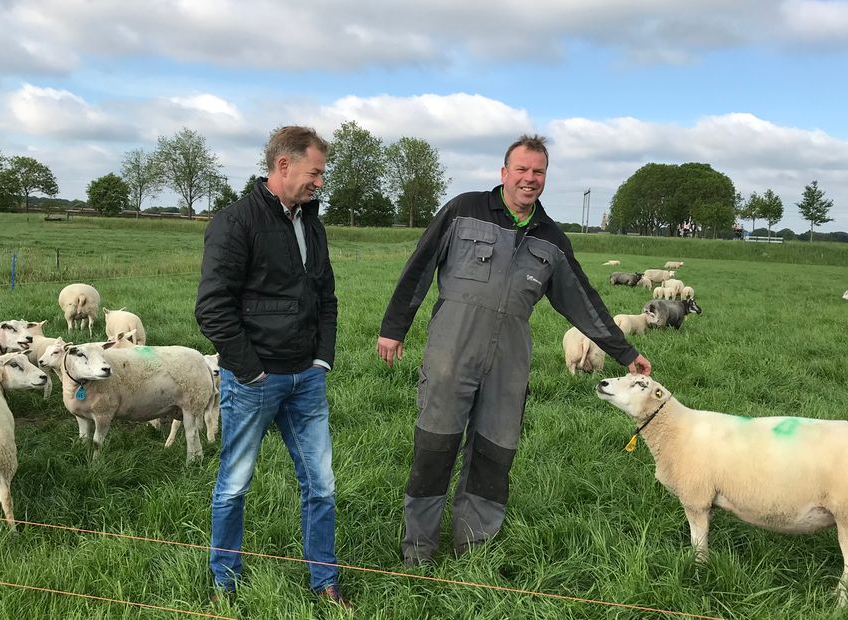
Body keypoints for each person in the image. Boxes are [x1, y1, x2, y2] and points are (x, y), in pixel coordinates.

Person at [376, 134, 652, 567]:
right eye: (521, 170)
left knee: (494, 450)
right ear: (504, 173)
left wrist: (623, 351)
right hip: (451, 349)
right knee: (435, 447)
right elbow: (420, 265)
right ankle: (419, 550)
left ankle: (473, 549)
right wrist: (394, 328)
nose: (529, 179)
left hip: (510, 358)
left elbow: (582, 300)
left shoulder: (551, 239)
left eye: (538, 172)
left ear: (545, 177)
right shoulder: (463, 210)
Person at [196, 126, 349, 608]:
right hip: (255, 380)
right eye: (314, 172)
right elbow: (212, 306)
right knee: (234, 485)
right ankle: (225, 582)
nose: (320, 182)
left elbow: (325, 296)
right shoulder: (235, 222)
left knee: (321, 485)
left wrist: (321, 358)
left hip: (307, 378)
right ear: (283, 166)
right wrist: (250, 369)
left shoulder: (310, 223)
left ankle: (324, 581)